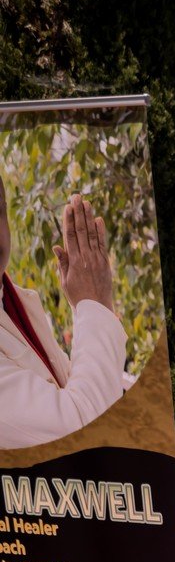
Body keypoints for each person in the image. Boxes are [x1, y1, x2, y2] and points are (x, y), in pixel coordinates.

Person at [0, 177, 127, 450]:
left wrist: (91, 304)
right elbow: (83, 432)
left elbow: (75, 386)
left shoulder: (14, 303)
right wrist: (92, 303)